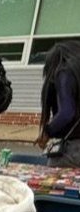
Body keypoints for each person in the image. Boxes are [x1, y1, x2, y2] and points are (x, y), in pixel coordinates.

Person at [36, 39, 80, 168]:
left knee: (48, 182)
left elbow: (66, 113)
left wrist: (47, 131)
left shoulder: (64, 72)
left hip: (74, 150)